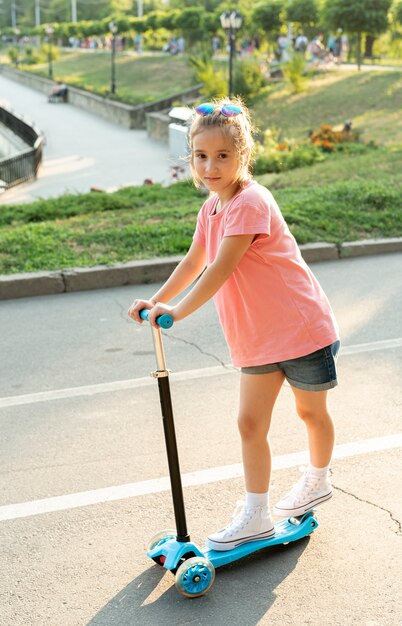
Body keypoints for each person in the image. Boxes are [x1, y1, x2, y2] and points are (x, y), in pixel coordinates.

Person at [128, 98, 340, 552]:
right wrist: (158, 299)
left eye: (223, 156)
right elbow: (195, 260)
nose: (211, 166)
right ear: (190, 159)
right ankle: (256, 514)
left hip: (301, 329)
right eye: (201, 156)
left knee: (310, 414)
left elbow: (220, 268)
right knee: (249, 423)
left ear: (244, 155)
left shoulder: (250, 202)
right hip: (259, 337)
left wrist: (177, 312)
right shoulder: (212, 208)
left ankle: (318, 479)